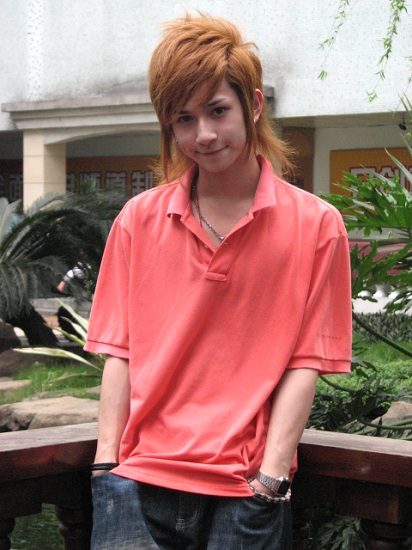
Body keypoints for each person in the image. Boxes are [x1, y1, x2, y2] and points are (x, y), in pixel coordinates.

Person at [84, 13, 352, 550]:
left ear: (253, 104)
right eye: (183, 119)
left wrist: (271, 477)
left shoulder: (317, 226)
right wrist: (106, 468)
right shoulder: (138, 220)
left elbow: (306, 361)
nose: (203, 135)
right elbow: (120, 351)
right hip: (138, 484)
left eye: (218, 110)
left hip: (245, 491)